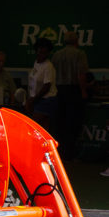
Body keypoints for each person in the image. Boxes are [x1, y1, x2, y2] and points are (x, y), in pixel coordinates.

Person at [52, 30, 89, 161]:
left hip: (59, 91)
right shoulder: (80, 54)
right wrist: (84, 91)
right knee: (72, 123)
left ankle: (60, 153)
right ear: (76, 41)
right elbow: (81, 75)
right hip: (73, 91)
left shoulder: (56, 55)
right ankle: (70, 153)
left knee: (60, 123)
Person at [26, 39, 57, 131]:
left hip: (46, 100)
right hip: (37, 100)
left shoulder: (48, 66)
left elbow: (47, 86)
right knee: (42, 129)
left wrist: (33, 100)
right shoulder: (36, 63)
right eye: (40, 51)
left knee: (33, 126)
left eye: (45, 52)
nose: (43, 54)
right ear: (36, 51)